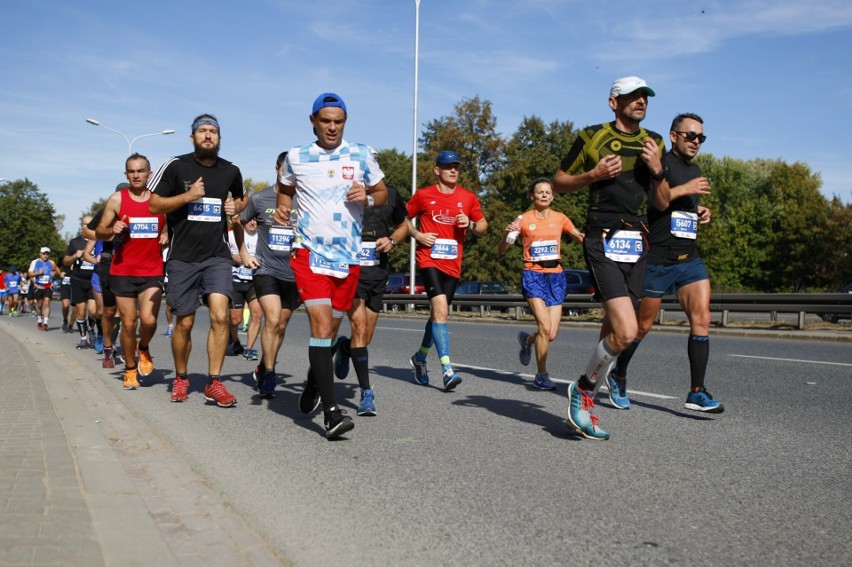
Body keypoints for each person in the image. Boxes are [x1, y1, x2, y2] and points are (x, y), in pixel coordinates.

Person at [552, 76, 670, 441]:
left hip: (638, 240)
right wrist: (593, 174)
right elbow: (558, 181)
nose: (640, 102)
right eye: (632, 96)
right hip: (602, 235)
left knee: (613, 330)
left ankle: (587, 402)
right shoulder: (592, 137)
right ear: (612, 102)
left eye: (644, 97)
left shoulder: (656, 143)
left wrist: (658, 170)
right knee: (626, 331)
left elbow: (663, 202)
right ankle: (583, 389)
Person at [273, 92, 388, 439]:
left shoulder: (362, 154)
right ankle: (332, 412)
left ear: (345, 122)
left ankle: (313, 381)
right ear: (313, 122)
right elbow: (284, 191)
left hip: (349, 256)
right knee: (320, 325)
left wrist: (367, 197)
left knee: (330, 332)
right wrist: (282, 209)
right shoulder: (295, 157)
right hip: (309, 253)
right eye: (326, 121)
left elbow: (382, 193)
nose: (332, 127)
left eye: (338, 121)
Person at [606, 113, 723, 413]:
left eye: (701, 137)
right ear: (674, 136)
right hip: (657, 259)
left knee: (702, 319)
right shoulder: (660, 164)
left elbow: (681, 210)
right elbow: (658, 203)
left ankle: (696, 391)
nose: (696, 142)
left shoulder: (694, 168)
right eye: (691, 136)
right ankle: (618, 373)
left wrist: (701, 212)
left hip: (689, 259)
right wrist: (687, 190)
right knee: (642, 326)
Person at [149, 113, 246, 407]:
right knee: (185, 322)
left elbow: (241, 199)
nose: (208, 135)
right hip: (183, 258)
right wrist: (187, 196)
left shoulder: (231, 170)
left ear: (218, 138)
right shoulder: (176, 165)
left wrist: (235, 204)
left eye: (213, 131)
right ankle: (181, 376)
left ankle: (214, 383)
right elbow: (153, 203)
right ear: (192, 137)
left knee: (219, 315)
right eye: (202, 131)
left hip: (217, 255)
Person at [333, 153, 409, 416]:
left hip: (378, 271)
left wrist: (393, 241)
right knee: (360, 326)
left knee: (365, 338)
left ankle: (344, 347)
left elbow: (404, 226)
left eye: (373, 163)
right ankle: (366, 393)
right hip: (351, 271)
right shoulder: (345, 191)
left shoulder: (390, 194)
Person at [406, 150, 489, 390]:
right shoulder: (423, 195)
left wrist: (471, 224)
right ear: (437, 170)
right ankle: (447, 369)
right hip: (428, 260)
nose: (453, 170)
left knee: (437, 316)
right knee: (441, 311)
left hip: (452, 264)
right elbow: (402, 217)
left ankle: (420, 358)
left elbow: (483, 226)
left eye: (457, 166)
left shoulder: (468, 198)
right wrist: (418, 234)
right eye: (448, 166)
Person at [497, 178, 584, 390]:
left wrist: (596, 243)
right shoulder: (523, 219)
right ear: (532, 197)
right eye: (540, 192)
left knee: (551, 334)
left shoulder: (560, 218)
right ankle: (541, 375)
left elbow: (580, 237)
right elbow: (502, 249)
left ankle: (527, 341)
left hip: (556, 276)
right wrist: (505, 235)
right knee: (544, 327)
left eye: (548, 192)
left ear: (552, 196)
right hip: (533, 275)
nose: (544, 195)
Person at [96, 153, 168, 390]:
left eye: (140, 171)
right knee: (128, 323)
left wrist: (167, 235)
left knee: (148, 320)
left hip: (152, 269)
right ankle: (129, 368)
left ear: (149, 173)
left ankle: (144, 347)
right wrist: (112, 229)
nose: (136, 175)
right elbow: (99, 231)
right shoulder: (117, 199)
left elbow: (169, 227)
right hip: (123, 269)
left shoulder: (160, 200)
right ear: (126, 174)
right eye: (131, 171)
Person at [235, 151, 301, 399]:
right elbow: (237, 222)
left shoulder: (305, 201)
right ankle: (270, 374)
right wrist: (244, 253)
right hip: (266, 270)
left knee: (281, 326)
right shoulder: (261, 198)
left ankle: (264, 364)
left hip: (294, 272)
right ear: (277, 169)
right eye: (286, 169)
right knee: (272, 320)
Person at [85, 182, 130, 366]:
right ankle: (107, 346)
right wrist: (110, 234)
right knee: (105, 311)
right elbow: (87, 230)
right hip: (106, 264)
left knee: (127, 314)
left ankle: (124, 350)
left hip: (129, 264)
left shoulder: (141, 209)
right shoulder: (108, 210)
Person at [226, 216, 262, 360]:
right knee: (235, 320)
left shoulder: (262, 236)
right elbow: (216, 251)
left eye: (255, 220)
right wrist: (232, 256)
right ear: (243, 221)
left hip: (255, 282)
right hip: (235, 281)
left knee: (257, 314)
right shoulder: (230, 235)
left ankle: (249, 348)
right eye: (249, 220)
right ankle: (235, 341)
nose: (253, 223)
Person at [63, 216, 99, 350]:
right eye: (85, 225)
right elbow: (65, 262)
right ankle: (83, 339)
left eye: (90, 225)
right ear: (81, 226)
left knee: (93, 311)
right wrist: (74, 256)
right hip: (78, 280)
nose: (87, 227)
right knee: (81, 310)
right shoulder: (74, 242)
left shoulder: (98, 241)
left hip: (93, 279)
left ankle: (91, 329)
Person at [27, 247, 60, 330]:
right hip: (38, 286)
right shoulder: (34, 262)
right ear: (40, 254)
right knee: (39, 305)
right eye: (44, 253)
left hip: (48, 286)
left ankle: (45, 323)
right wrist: (37, 273)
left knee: (47, 303)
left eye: (47, 254)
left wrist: (55, 273)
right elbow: (30, 274)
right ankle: (39, 321)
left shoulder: (51, 262)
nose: (46, 255)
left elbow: (56, 269)